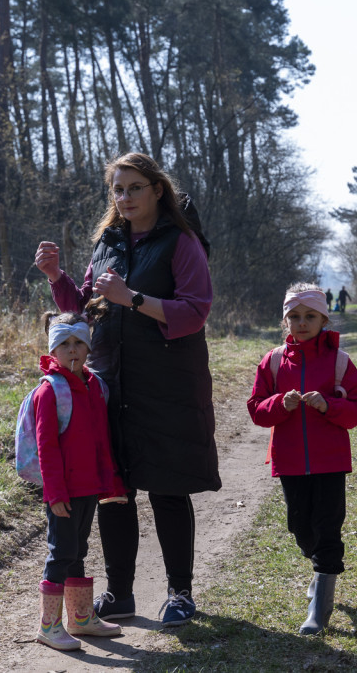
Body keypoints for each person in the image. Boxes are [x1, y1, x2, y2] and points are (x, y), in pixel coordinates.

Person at [34, 152, 220, 628]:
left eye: (134, 187)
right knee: (114, 492)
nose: (125, 197)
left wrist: (134, 299)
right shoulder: (108, 242)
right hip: (110, 384)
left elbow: (195, 311)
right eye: (118, 189)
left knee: (168, 490)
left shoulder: (181, 242)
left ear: (157, 189)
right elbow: (87, 310)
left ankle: (181, 593)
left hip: (168, 384)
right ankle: (120, 595)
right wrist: (58, 279)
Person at [247, 284, 357, 635]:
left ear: (324, 318)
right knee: (301, 529)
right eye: (294, 317)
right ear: (285, 321)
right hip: (290, 462)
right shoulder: (271, 362)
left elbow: (356, 411)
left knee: (328, 527)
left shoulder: (340, 362)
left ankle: (320, 608)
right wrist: (278, 404)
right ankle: (319, 569)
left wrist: (329, 405)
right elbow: (256, 410)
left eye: (310, 316)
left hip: (331, 462)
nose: (302, 323)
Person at [33, 312, 127, 650]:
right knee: (61, 553)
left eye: (79, 343)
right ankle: (49, 626)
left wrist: (109, 481)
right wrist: (55, 492)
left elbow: (101, 439)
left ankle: (81, 618)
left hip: (88, 486)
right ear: (53, 350)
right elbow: (46, 447)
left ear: (87, 348)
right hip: (64, 491)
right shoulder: (50, 390)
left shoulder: (94, 386)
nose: (73, 350)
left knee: (79, 550)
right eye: (64, 344)